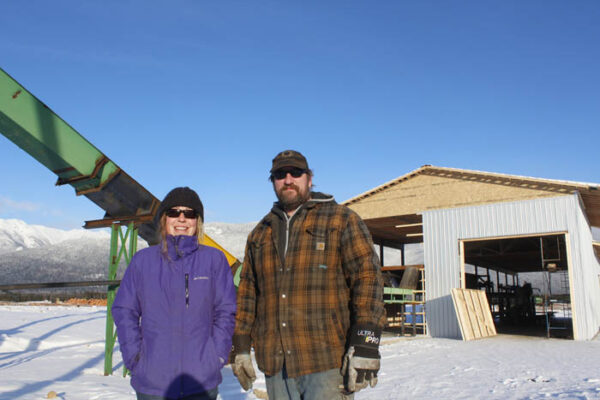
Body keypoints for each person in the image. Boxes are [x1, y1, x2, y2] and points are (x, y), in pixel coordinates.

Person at [232, 150, 386, 399]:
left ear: (309, 178)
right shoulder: (260, 234)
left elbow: (367, 278)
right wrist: (240, 347)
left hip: (325, 361)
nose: (288, 179)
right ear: (273, 182)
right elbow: (248, 293)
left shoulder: (341, 219)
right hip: (276, 363)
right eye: (280, 175)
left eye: (296, 173)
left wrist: (365, 342)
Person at [112, 187, 236, 400]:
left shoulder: (214, 260)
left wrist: (216, 356)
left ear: (197, 221)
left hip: (201, 382)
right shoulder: (143, 261)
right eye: (174, 212)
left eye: (189, 213)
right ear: (163, 219)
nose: (181, 218)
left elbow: (225, 311)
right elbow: (125, 310)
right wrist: (135, 358)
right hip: (153, 383)